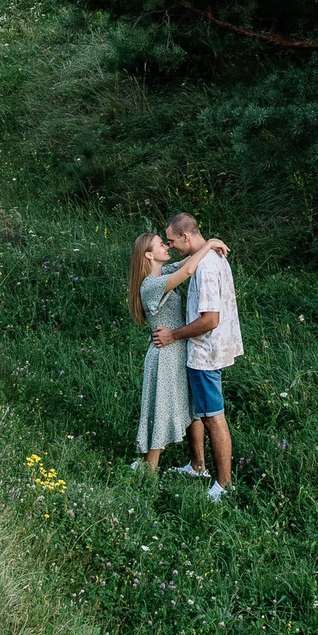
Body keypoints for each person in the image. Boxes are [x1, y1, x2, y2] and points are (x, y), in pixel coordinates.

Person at [150, 211, 242, 500]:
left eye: (172, 240)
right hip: (205, 350)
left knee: (214, 417)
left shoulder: (205, 268)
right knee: (197, 411)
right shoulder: (208, 257)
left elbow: (210, 319)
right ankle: (197, 465)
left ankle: (224, 485)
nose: (171, 245)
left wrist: (174, 335)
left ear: (186, 236)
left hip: (206, 353)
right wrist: (211, 241)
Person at [126, 229, 226, 476]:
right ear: (149, 255)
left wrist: (204, 248)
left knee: (188, 408)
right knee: (163, 409)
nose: (167, 247)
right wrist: (211, 242)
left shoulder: (165, 273)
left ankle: (197, 465)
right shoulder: (151, 285)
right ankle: (149, 470)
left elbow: (185, 263)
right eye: (161, 244)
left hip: (177, 350)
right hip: (166, 355)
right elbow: (189, 270)